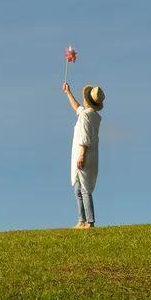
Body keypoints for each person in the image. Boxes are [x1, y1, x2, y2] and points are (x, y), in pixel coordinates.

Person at [62, 82, 106, 229]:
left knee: (84, 189)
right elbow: (77, 107)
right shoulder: (89, 114)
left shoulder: (87, 116)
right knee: (78, 188)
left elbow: (85, 138)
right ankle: (81, 220)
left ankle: (90, 221)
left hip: (85, 155)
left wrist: (82, 155)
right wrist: (68, 92)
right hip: (85, 154)